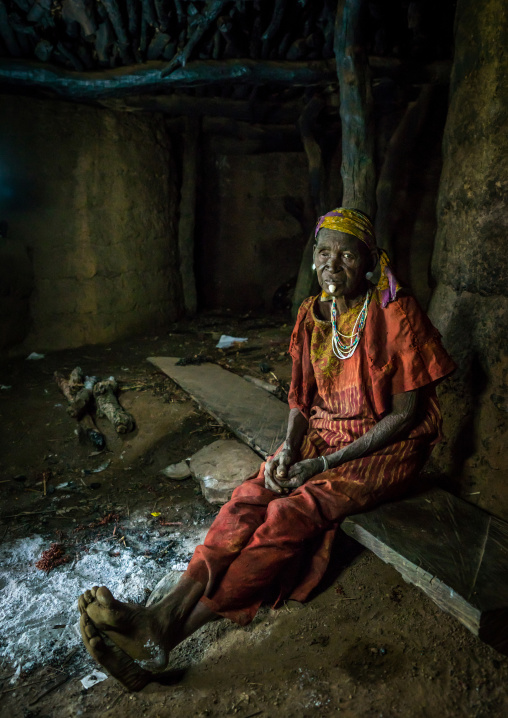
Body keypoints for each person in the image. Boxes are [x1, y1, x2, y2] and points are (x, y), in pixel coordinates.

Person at [78, 207, 455, 691]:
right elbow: (301, 399)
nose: (331, 264)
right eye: (323, 252)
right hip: (324, 433)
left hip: (386, 446)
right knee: (248, 498)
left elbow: (405, 415)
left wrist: (323, 463)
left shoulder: (395, 312)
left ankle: (172, 631)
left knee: (290, 514)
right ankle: (159, 616)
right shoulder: (310, 314)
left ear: (368, 263)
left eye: (345, 254)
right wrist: (287, 451)